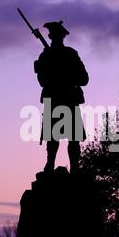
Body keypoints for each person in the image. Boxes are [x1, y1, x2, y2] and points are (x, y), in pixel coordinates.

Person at [34, 21, 89, 174]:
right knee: (52, 137)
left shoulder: (71, 54)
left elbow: (84, 79)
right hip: (54, 98)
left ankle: (75, 168)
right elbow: (41, 80)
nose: (54, 37)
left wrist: (68, 76)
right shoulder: (45, 56)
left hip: (69, 98)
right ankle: (50, 164)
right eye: (53, 35)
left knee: (74, 137)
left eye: (56, 35)